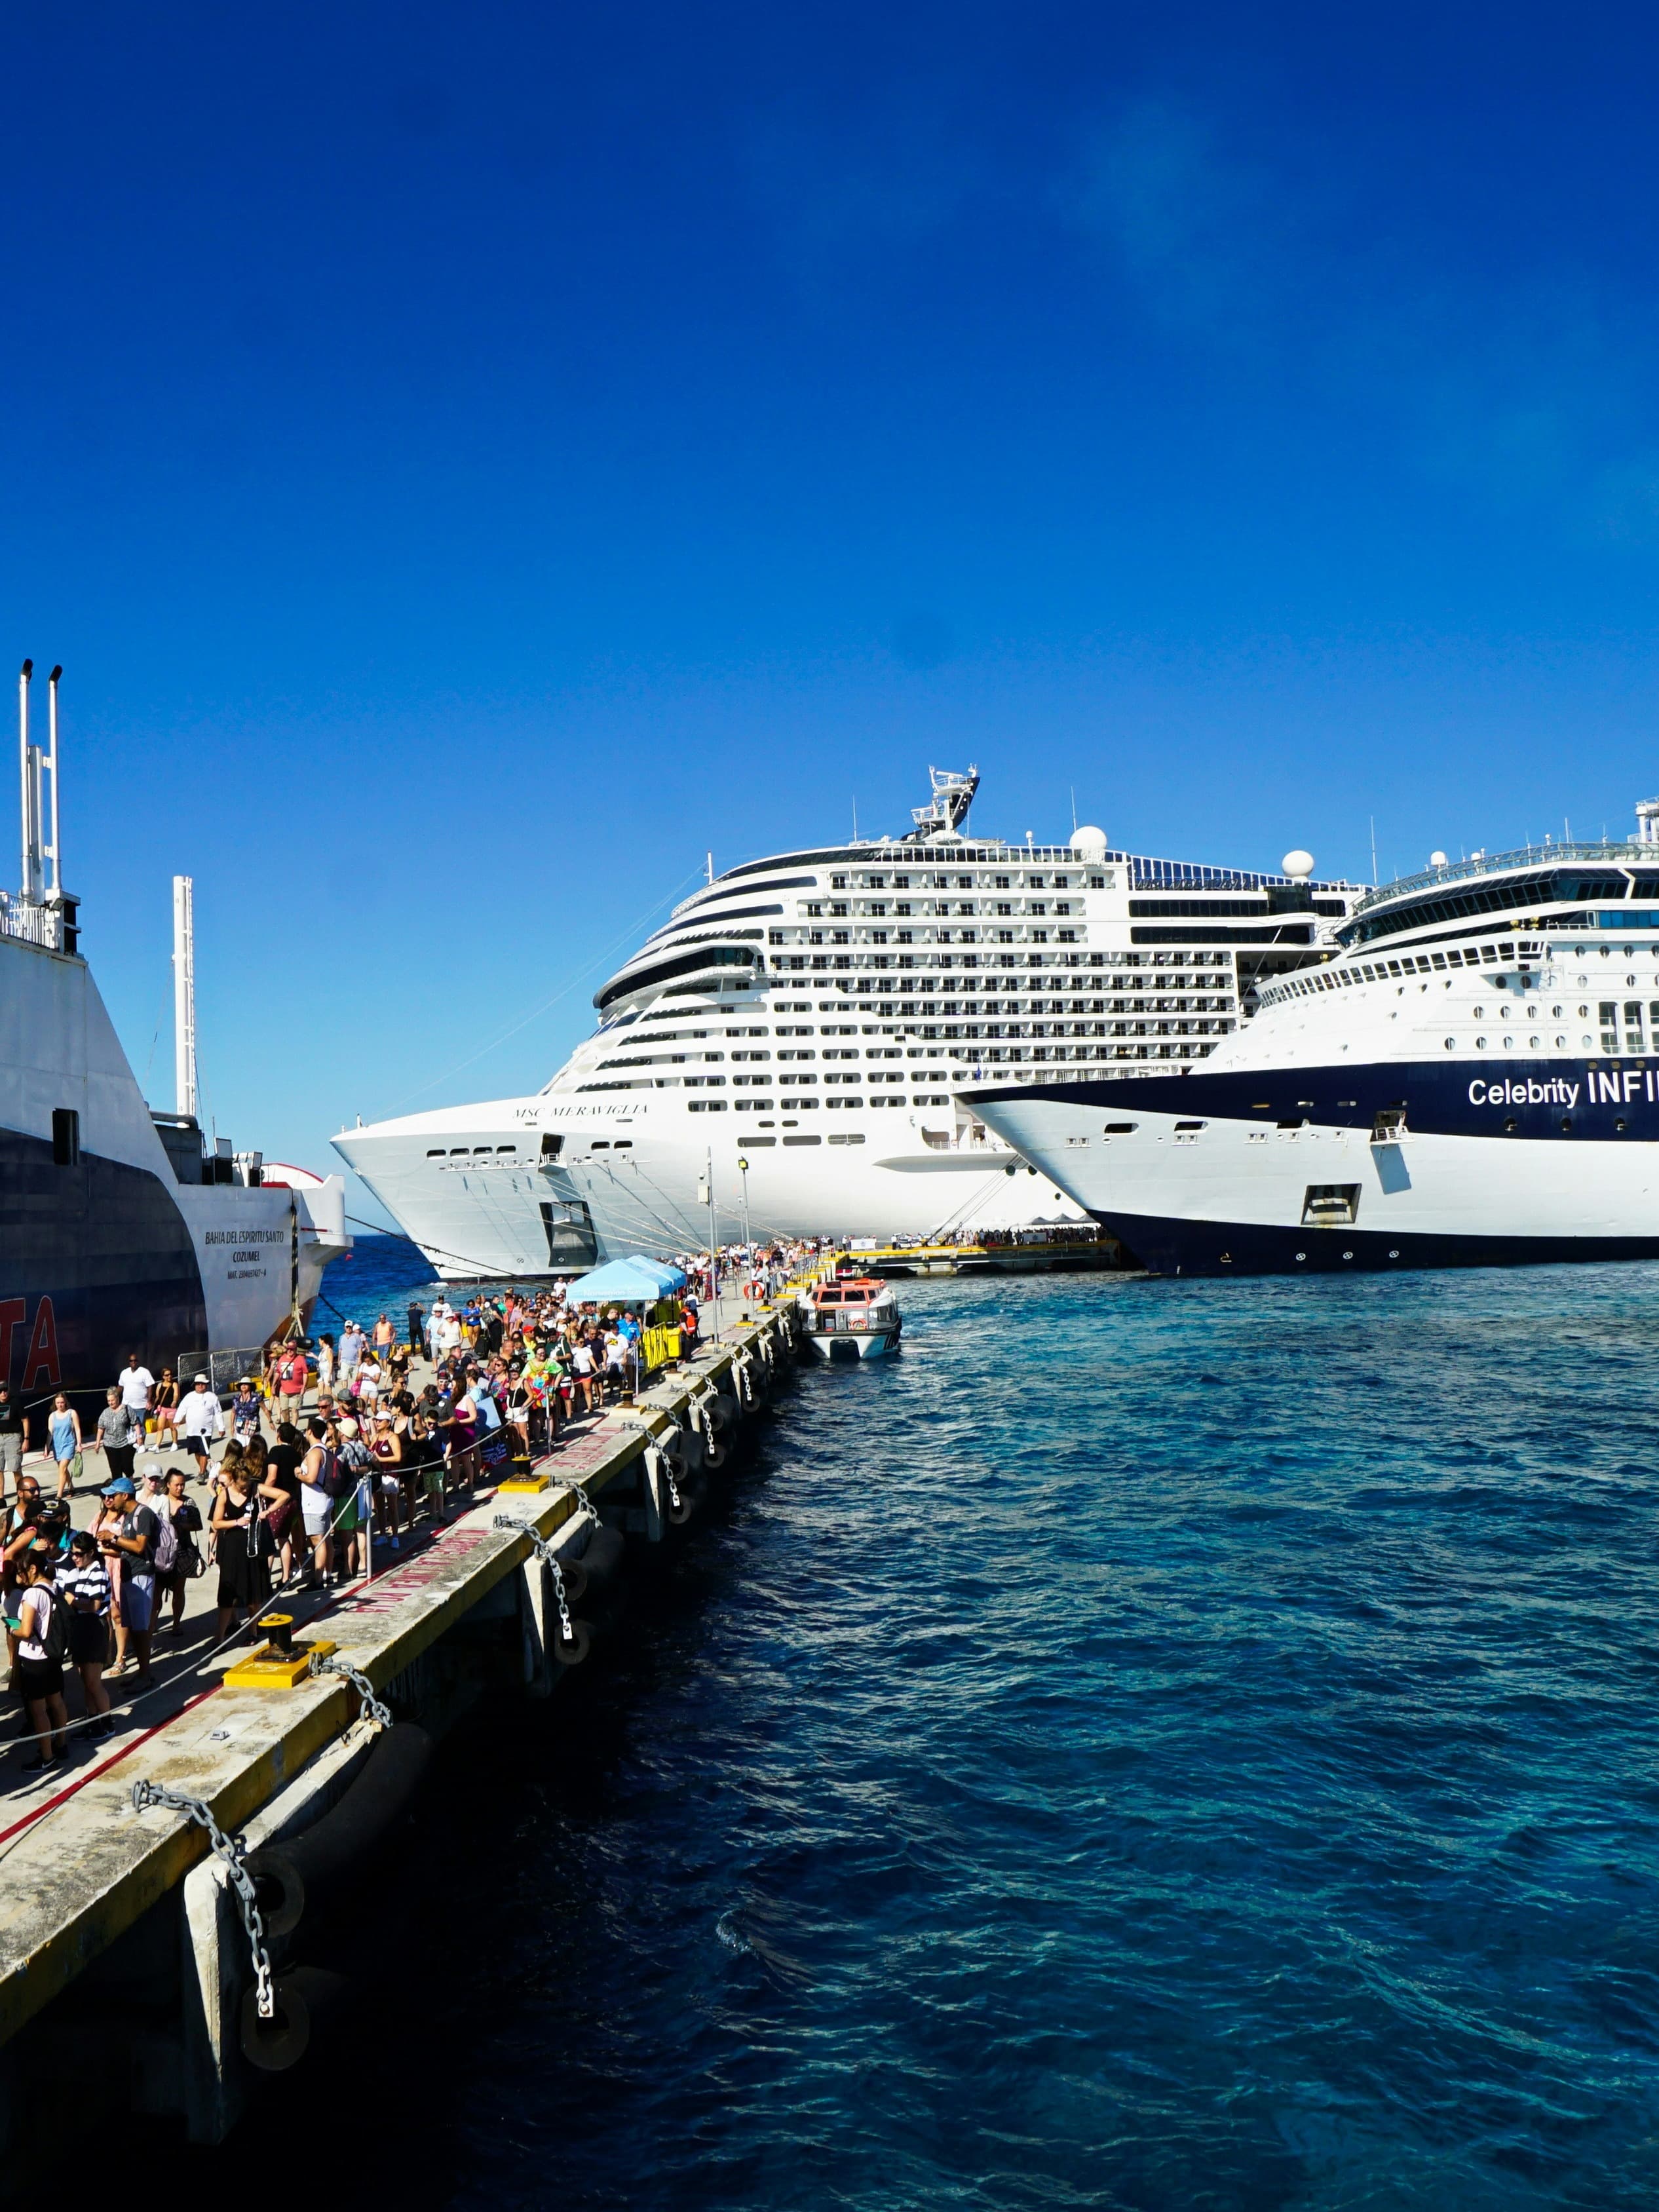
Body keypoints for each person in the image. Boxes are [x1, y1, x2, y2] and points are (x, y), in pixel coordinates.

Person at [96, 1475, 159, 1688]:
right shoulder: (128, 1515)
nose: (111, 1499)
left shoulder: (144, 1514)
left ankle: (146, 1675)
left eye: (114, 1495)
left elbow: (140, 1547)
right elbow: (126, 1548)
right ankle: (143, 1672)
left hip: (141, 1575)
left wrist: (113, 1538)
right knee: (132, 1627)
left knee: (141, 1629)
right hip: (128, 1574)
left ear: (125, 1495)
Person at [210, 1459, 282, 1642]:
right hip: (232, 1549)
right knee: (227, 1595)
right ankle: (219, 1637)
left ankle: (253, 1632)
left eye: (247, 1486)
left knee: (254, 1593)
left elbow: (284, 1495)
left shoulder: (255, 1489)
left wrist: (268, 1512)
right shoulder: (224, 1495)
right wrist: (236, 1522)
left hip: (253, 1548)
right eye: (242, 1487)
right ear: (233, 1481)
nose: (245, 1490)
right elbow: (216, 1523)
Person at [14, 1552, 68, 1769]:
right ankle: (61, 1745)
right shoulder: (53, 1586)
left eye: (21, 1571)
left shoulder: (32, 1594)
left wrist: (12, 1629)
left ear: (33, 1569)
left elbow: (26, 1630)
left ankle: (46, 1757)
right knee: (56, 1702)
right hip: (52, 1655)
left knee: (38, 1710)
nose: (19, 1576)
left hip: (35, 1659)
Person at [58, 1531, 113, 1736]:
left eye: (79, 1554)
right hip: (81, 1625)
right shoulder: (78, 1572)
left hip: (94, 1626)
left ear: (91, 1552)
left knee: (93, 1682)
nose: (75, 1557)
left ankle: (107, 1723)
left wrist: (73, 1601)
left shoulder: (98, 1572)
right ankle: (93, 1721)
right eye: (73, 1553)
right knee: (86, 1681)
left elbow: (95, 1605)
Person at [154, 1468, 204, 1637]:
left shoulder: (189, 1503)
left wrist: (181, 1526)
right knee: (157, 1592)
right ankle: (153, 1623)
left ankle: (177, 1624)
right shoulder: (158, 1501)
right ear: (168, 1485)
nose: (180, 1488)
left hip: (182, 1552)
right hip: (161, 1553)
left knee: (178, 1589)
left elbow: (198, 1525)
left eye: (182, 1485)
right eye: (177, 1485)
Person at [298, 1418, 337, 1587]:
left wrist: (298, 1474)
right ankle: (327, 1574)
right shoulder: (324, 1449)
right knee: (326, 1539)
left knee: (318, 1541)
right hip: (324, 1501)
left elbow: (312, 1478)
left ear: (310, 1431)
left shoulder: (314, 1453)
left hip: (315, 1504)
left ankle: (318, 1579)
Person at [266, 1421, 305, 1586]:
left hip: (277, 1500)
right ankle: (285, 1576)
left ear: (279, 1436)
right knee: (283, 1538)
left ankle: (265, 1579)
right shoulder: (296, 1454)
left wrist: (263, 1490)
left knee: (268, 1540)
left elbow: (272, 1476)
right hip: (293, 1500)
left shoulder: (276, 1451)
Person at [177, 1374, 224, 1475]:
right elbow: (182, 1409)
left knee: (204, 1452)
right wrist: (177, 1420)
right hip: (192, 1431)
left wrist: (221, 1428)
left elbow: (218, 1413)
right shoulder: (189, 1397)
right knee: (196, 1452)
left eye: (202, 1384)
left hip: (206, 1431)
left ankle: (202, 1473)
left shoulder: (212, 1397)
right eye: (198, 1384)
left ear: (206, 1385)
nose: (200, 1386)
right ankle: (204, 1469)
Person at [95, 1386, 142, 1487]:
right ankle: (119, 1489)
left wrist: (139, 1436)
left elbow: (135, 1423)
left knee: (126, 1465)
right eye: (109, 1401)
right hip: (110, 1444)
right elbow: (100, 1428)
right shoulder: (105, 1412)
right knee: (115, 1468)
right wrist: (98, 1443)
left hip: (125, 1443)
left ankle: (130, 1483)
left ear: (118, 1399)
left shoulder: (126, 1409)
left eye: (112, 1400)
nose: (111, 1403)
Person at [46, 1392, 82, 1502]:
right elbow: (50, 1433)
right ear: (55, 1404)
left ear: (65, 1402)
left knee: (62, 1468)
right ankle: (71, 1487)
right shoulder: (52, 1416)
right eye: (58, 1403)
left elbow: (77, 1429)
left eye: (62, 1402)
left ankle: (59, 1495)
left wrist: (79, 1444)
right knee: (63, 1470)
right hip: (57, 1446)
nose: (60, 1405)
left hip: (69, 1444)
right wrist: (46, 1447)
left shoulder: (72, 1413)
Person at [0, 1381, 28, 1501]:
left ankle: (21, 1495)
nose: (3, 1393)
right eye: (0, 1391)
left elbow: (25, 1420)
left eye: (5, 1390)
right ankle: (1, 1498)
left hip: (13, 1437)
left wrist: (26, 1439)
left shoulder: (15, 1402)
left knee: (15, 1468)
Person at [273, 1339, 310, 1426]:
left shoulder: (300, 1359)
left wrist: (304, 1386)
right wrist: (273, 1385)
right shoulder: (282, 1359)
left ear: (296, 1349)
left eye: (292, 1349)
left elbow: (305, 1373)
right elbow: (278, 1372)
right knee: (284, 1410)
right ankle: (287, 1426)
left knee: (294, 1410)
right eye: (288, 1348)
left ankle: (293, 1428)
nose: (290, 1350)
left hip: (296, 1390)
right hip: (284, 1390)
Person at [117, 1353, 154, 1426]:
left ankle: (139, 1438)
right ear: (129, 1362)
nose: (133, 1362)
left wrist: (149, 1401)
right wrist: (114, 1396)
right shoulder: (124, 1373)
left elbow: (150, 1387)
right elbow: (120, 1387)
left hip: (141, 1407)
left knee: (141, 1429)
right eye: (131, 1361)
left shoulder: (145, 1372)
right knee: (128, 1429)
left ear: (137, 1361)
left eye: (135, 1360)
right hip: (127, 1406)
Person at [149, 1367, 180, 1447]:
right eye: (167, 1375)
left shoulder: (174, 1384)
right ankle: (157, 1445)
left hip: (171, 1410)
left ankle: (175, 1443)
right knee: (160, 1428)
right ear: (163, 1377)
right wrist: (153, 1404)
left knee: (172, 1427)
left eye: (171, 1374)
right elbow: (158, 1397)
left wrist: (175, 1401)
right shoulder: (160, 1385)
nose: (169, 1376)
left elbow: (176, 1394)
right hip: (162, 1409)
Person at [230, 1375, 263, 1446]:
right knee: (241, 1448)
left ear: (250, 1386)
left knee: (252, 1449)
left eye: (246, 1384)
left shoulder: (256, 1397)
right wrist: (232, 1426)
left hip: (253, 1428)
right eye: (242, 1384)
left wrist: (270, 1421)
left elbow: (265, 1409)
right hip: (240, 1428)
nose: (243, 1386)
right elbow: (233, 1412)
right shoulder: (236, 1398)